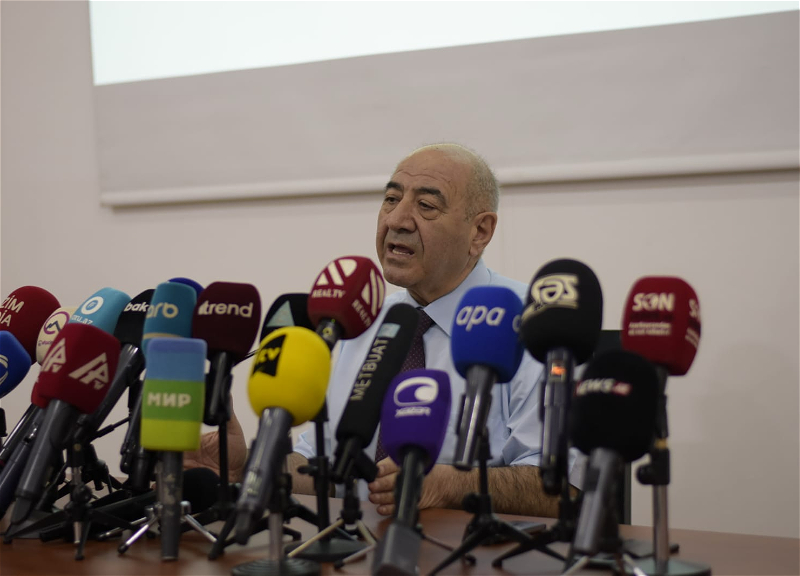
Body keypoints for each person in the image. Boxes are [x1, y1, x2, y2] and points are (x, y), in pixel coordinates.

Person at [290, 143, 583, 518]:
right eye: (391, 199)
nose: (397, 220)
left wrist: (448, 486)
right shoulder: (363, 319)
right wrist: (246, 465)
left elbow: (561, 487)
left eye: (426, 206)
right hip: (357, 542)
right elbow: (322, 467)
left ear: (480, 231)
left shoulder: (534, 323)